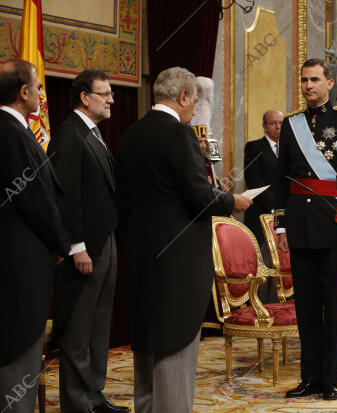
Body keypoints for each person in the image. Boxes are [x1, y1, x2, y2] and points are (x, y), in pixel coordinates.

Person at [116, 67, 252, 413]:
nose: (195, 109)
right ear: (183, 97)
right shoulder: (179, 135)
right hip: (178, 264)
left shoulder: (130, 134)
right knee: (175, 351)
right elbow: (199, 197)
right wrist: (232, 201)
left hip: (140, 257)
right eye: (195, 101)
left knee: (147, 349)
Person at [274, 58, 337, 401]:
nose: (308, 86)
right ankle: (308, 377)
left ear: (330, 83)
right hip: (300, 224)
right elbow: (281, 179)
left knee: (333, 305)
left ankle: (330, 378)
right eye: (303, 80)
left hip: (335, 223)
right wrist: (281, 226)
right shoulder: (291, 124)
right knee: (305, 305)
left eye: (314, 79)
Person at [47, 70, 128, 413]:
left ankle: (95, 396)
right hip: (84, 248)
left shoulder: (93, 134)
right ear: (84, 97)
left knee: (98, 324)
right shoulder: (68, 135)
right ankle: (77, 404)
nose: (112, 99)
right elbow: (65, 198)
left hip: (104, 242)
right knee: (79, 328)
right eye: (105, 93)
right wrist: (76, 247)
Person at [0, 59, 69, 413]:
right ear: (24, 92)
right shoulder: (11, 134)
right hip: (19, 268)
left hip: (18, 263)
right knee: (18, 363)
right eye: (39, 87)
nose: (42, 94)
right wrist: (61, 244)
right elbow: (37, 202)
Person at [243, 109, 284, 303]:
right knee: (263, 264)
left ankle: (279, 305)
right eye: (273, 123)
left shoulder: (289, 150)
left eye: (281, 123)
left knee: (281, 264)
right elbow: (255, 183)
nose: (278, 126)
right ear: (264, 126)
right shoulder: (254, 147)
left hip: (284, 218)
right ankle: (259, 307)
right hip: (261, 215)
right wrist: (276, 209)